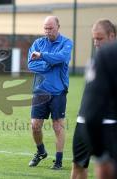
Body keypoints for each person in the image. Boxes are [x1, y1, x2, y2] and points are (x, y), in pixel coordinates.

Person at [71, 19, 116, 179]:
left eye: (100, 38)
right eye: (94, 39)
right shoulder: (99, 58)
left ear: (112, 36)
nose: (96, 43)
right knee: (78, 164)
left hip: (109, 124)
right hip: (84, 121)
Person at [27, 16, 73, 169]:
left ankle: (58, 161)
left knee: (57, 126)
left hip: (58, 91)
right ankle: (41, 152)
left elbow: (62, 57)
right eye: (45, 28)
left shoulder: (67, 43)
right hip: (40, 91)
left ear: (58, 27)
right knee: (34, 125)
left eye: (50, 28)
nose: (47, 31)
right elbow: (31, 64)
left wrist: (42, 56)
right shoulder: (37, 43)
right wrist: (49, 64)